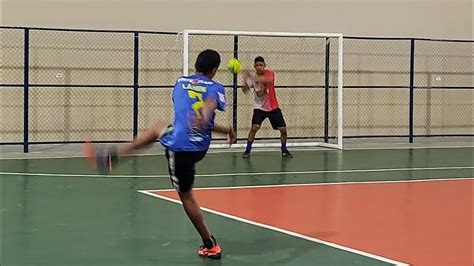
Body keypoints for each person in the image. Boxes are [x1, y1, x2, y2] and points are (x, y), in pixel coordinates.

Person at [84, 49, 236, 260]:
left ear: (195, 67)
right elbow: (207, 112)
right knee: (159, 128)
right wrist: (225, 129)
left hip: (180, 147)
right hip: (199, 146)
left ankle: (209, 244)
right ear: (214, 70)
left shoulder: (181, 82)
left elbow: (201, 112)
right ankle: (110, 157)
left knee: (187, 197)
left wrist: (205, 114)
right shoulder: (217, 87)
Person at [241, 56, 292, 158]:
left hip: (273, 107)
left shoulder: (269, 73)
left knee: (283, 130)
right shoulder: (253, 78)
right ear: (254, 66)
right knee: (254, 128)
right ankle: (247, 150)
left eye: (261, 65)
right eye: (257, 65)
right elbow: (244, 90)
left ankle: (284, 150)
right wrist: (246, 82)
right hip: (259, 108)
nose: (259, 67)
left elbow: (269, 79)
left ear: (264, 66)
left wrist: (251, 78)